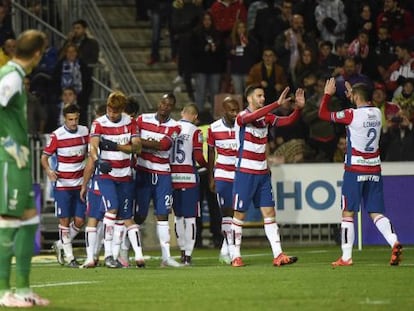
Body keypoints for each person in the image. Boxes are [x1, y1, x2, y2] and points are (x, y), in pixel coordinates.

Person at [319, 78, 403, 266]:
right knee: (376, 212)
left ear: (355, 97)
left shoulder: (351, 115)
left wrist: (327, 95)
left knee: (348, 212)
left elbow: (323, 114)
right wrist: (354, 96)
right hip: (374, 168)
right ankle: (394, 241)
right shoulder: (376, 113)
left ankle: (346, 257)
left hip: (355, 169)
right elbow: (361, 108)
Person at [0, 29, 49, 308]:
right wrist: (6, 141)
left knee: (29, 221)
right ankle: (3, 291)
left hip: (19, 161)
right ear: (38, 54)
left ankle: (23, 289)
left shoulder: (14, 74)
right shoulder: (11, 76)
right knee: (7, 223)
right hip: (8, 159)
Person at [229, 84, 303, 267]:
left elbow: (287, 121)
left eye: (264, 96)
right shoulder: (242, 117)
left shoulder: (266, 117)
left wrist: (298, 109)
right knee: (239, 214)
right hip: (245, 171)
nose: (262, 98)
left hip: (262, 172)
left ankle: (278, 254)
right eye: (259, 96)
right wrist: (276, 103)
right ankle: (235, 255)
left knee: (269, 213)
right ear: (249, 99)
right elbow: (253, 116)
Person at [89, 91, 145, 268]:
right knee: (112, 208)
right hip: (106, 175)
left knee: (124, 216)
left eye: (115, 111)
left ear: (122, 110)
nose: (111, 114)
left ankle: (114, 255)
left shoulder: (130, 123)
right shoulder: (98, 123)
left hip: (125, 175)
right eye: (109, 110)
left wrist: (116, 146)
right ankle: (108, 255)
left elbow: (137, 148)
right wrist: (98, 161)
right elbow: (93, 146)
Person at [134, 93, 183, 267]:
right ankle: (126, 252)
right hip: (142, 172)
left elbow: (164, 145)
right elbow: (134, 141)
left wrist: (140, 142)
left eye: (169, 105)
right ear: (158, 103)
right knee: (138, 216)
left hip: (162, 174)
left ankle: (166, 257)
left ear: (172, 107)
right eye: (163, 103)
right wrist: (142, 143)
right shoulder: (142, 119)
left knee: (163, 214)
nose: (165, 106)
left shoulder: (176, 126)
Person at [41, 103, 89, 268]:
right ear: (64, 119)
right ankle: (70, 257)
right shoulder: (57, 135)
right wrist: (49, 170)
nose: (74, 122)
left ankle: (60, 244)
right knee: (64, 221)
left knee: (80, 220)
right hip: (62, 185)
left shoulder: (85, 131)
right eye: (70, 119)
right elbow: (44, 157)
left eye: (76, 119)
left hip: (80, 184)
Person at [171, 104, 207, 265]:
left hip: (172, 177)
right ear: (195, 116)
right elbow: (198, 156)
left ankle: (181, 251)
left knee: (178, 216)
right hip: (189, 177)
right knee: (191, 217)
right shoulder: (195, 131)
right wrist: (209, 166)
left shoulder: (171, 127)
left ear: (182, 113)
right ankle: (188, 255)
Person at [207, 97, 240, 264]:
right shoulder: (214, 128)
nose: (235, 113)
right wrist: (211, 176)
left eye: (237, 110)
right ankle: (232, 250)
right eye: (232, 110)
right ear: (223, 111)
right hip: (223, 174)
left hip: (240, 174)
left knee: (237, 213)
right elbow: (211, 153)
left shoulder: (243, 125)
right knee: (226, 212)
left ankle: (225, 249)